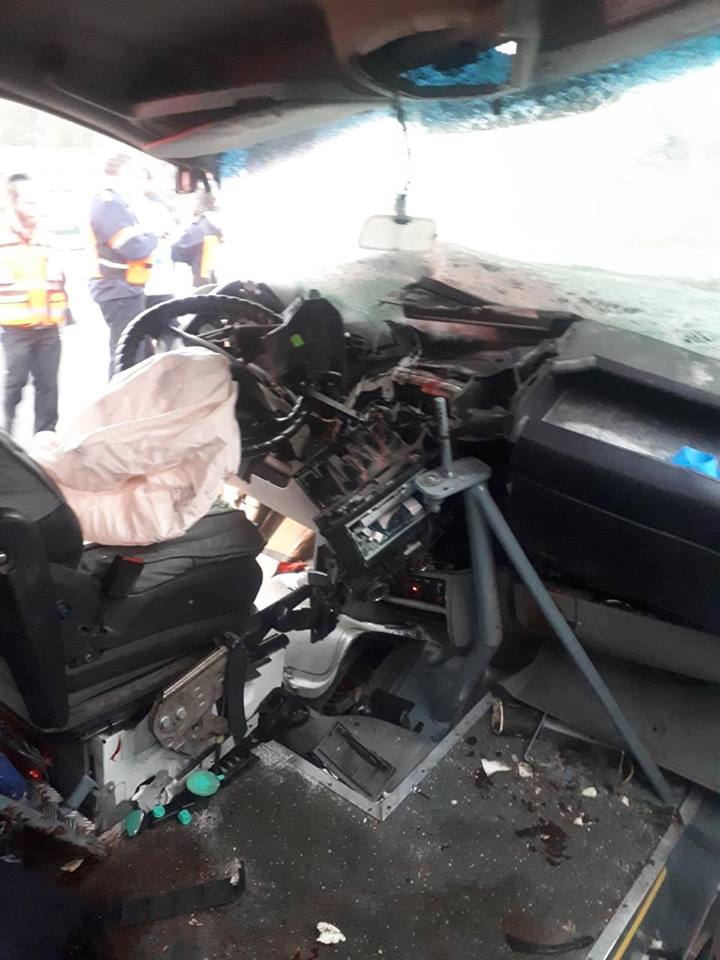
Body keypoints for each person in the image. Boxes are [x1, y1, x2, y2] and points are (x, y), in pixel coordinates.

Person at [0, 173, 69, 436]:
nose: (35, 208)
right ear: (13, 202)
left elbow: (59, 278)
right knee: (14, 383)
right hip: (15, 326)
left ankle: (45, 436)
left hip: (48, 326)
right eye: (29, 202)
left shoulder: (47, 236)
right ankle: (7, 436)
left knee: (48, 385)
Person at [89, 154, 158, 376]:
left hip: (124, 288)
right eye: (133, 175)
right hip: (118, 289)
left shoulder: (117, 204)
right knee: (128, 356)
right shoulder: (109, 204)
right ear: (118, 174)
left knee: (137, 352)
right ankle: (122, 397)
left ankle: (134, 394)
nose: (137, 180)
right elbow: (132, 247)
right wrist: (154, 238)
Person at [139, 167, 177, 308]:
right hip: (134, 280)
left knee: (164, 312)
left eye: (141, 179)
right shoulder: (122, 206)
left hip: (160, 273)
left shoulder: (159, 207)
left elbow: (171, 235)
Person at [171, 190, 223, 287]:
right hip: (214, 275)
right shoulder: (215, 221)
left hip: (203, 277)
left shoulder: (201, 226)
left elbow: (182, 248)